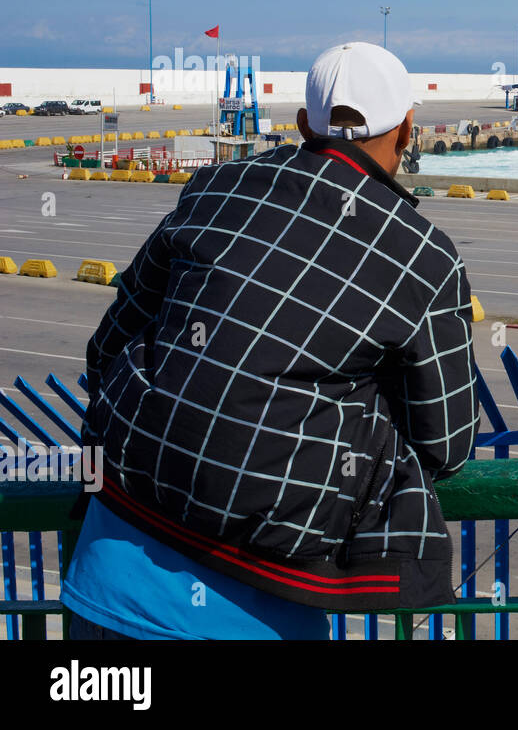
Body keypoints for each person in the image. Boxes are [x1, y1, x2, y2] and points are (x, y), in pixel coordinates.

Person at [63, 41, 480, 639]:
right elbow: (448, 442)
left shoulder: (214, 188)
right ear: (408, 128)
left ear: (304, 124)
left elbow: (111, 343)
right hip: (261, 603)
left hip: (110, 573)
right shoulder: (423, 255)